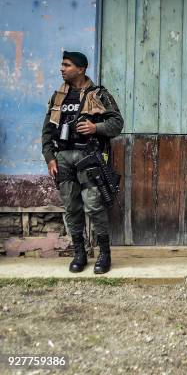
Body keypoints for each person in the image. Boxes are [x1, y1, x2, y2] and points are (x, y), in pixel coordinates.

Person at [41, 51, 123, 274]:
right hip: (63, 158)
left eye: (66, 65)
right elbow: (47, 131)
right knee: (71, 208)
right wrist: (50, 158)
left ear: (81, 68)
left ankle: (104, 254)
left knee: (94, 206)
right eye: (62, 64)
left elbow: (117, 123)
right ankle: (80, 253)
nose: (62, 68)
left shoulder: (98, 94)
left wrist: (95, 128)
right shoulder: (58, 96)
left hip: (88, 157)